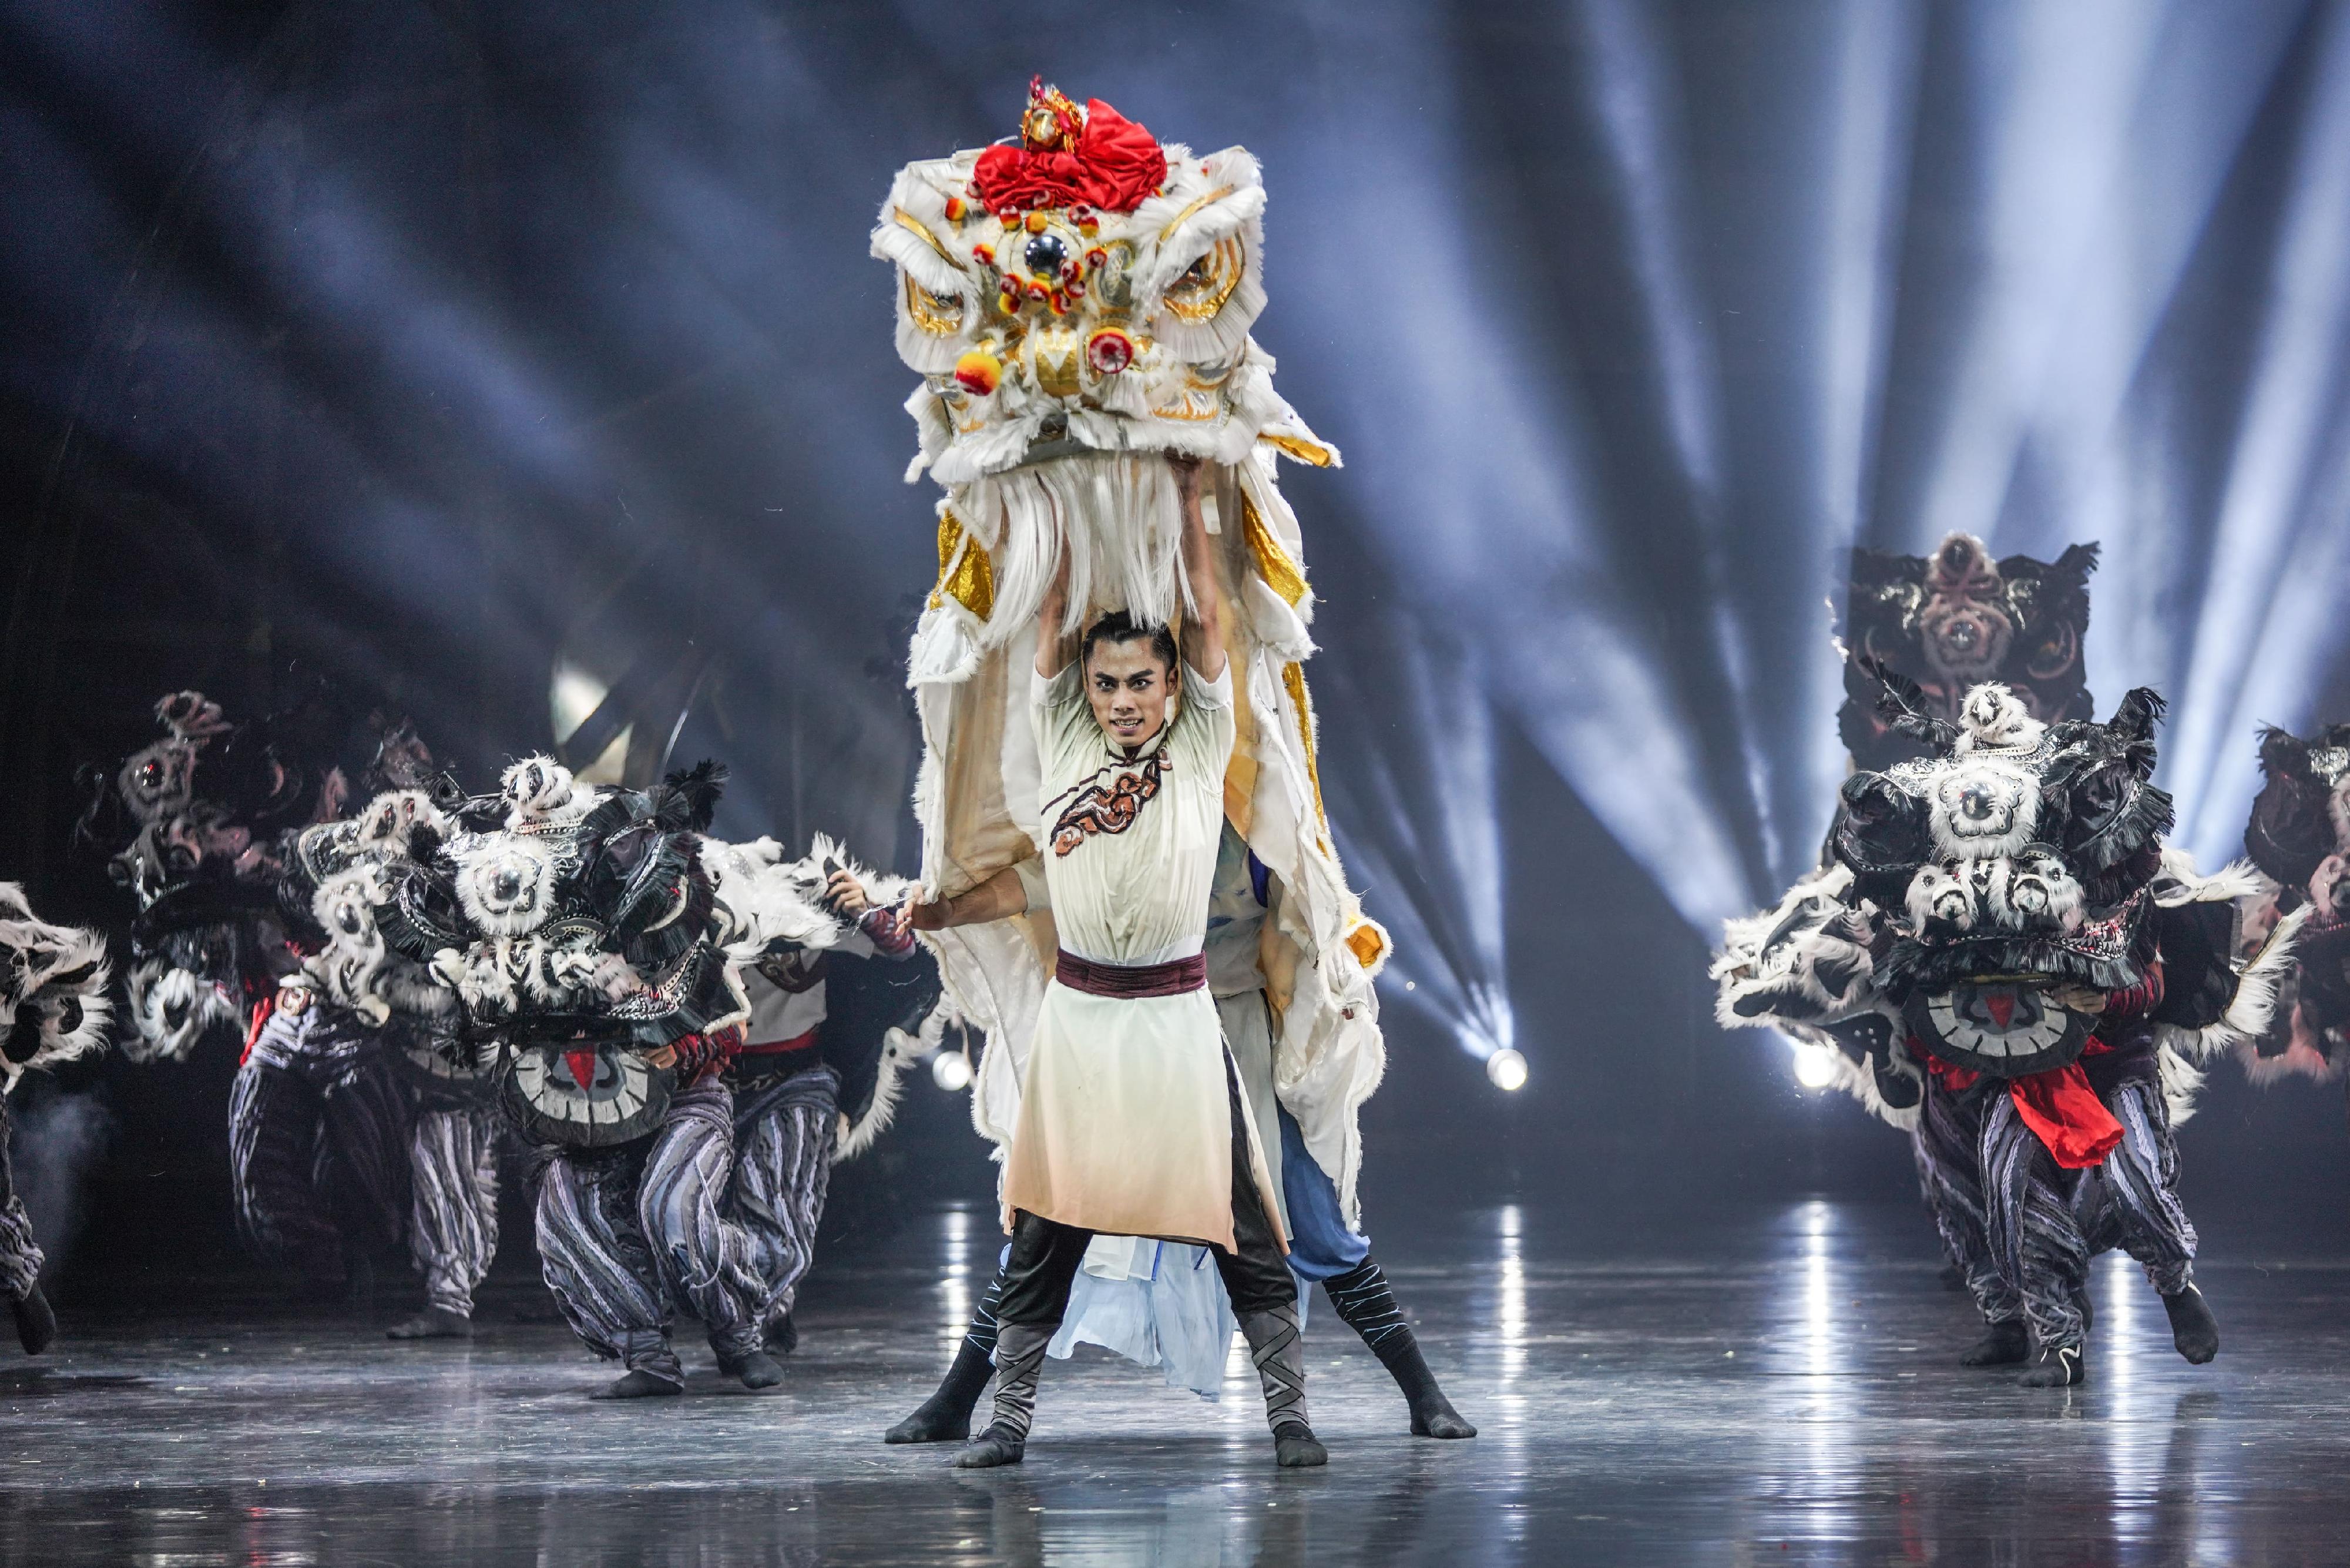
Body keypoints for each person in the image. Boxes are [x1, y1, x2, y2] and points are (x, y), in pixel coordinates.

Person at [897, 455, 1324, 1469]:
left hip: (1177, 1024)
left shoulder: (1200, 741)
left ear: (1174, 686)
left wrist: (1183, 502)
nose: (1125, 698)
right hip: (1082, 1023)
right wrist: (1047, 508)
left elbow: (1214, 620)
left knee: (1237, 1224)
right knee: (1046, 1228)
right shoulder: (1062, 737)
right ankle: (1006, 1423)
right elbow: (1048, 619)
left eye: (1142, 681)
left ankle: (1290, 1414)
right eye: (1109, 684)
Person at [885, 818, 1473, 1443]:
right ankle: (955, 1399)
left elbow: (1313, 904)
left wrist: (1342, 937)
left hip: (1235, 1044)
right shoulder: (1118, 802)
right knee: (1051, 1220)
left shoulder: (1258, 817)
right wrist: (949, 909)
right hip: (1130, 1038)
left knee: (1311, 1217)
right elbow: (1043, 877)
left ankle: (1420, 1394)